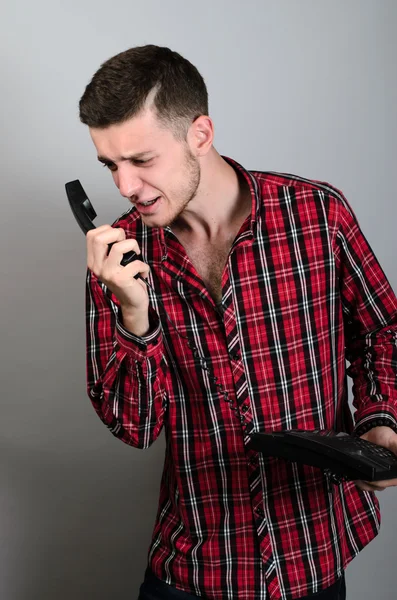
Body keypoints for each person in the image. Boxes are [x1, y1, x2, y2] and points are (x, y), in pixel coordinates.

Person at [78, 45, 397, 600]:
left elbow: (383, 332)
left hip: (312, 551)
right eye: (110, 165)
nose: (125, 187)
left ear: (200, 133)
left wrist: (382, 421)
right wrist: (135, 315)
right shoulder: (120, 257)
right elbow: (135, 427)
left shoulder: (318, 213)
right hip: (197, 562)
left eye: (142, 160)